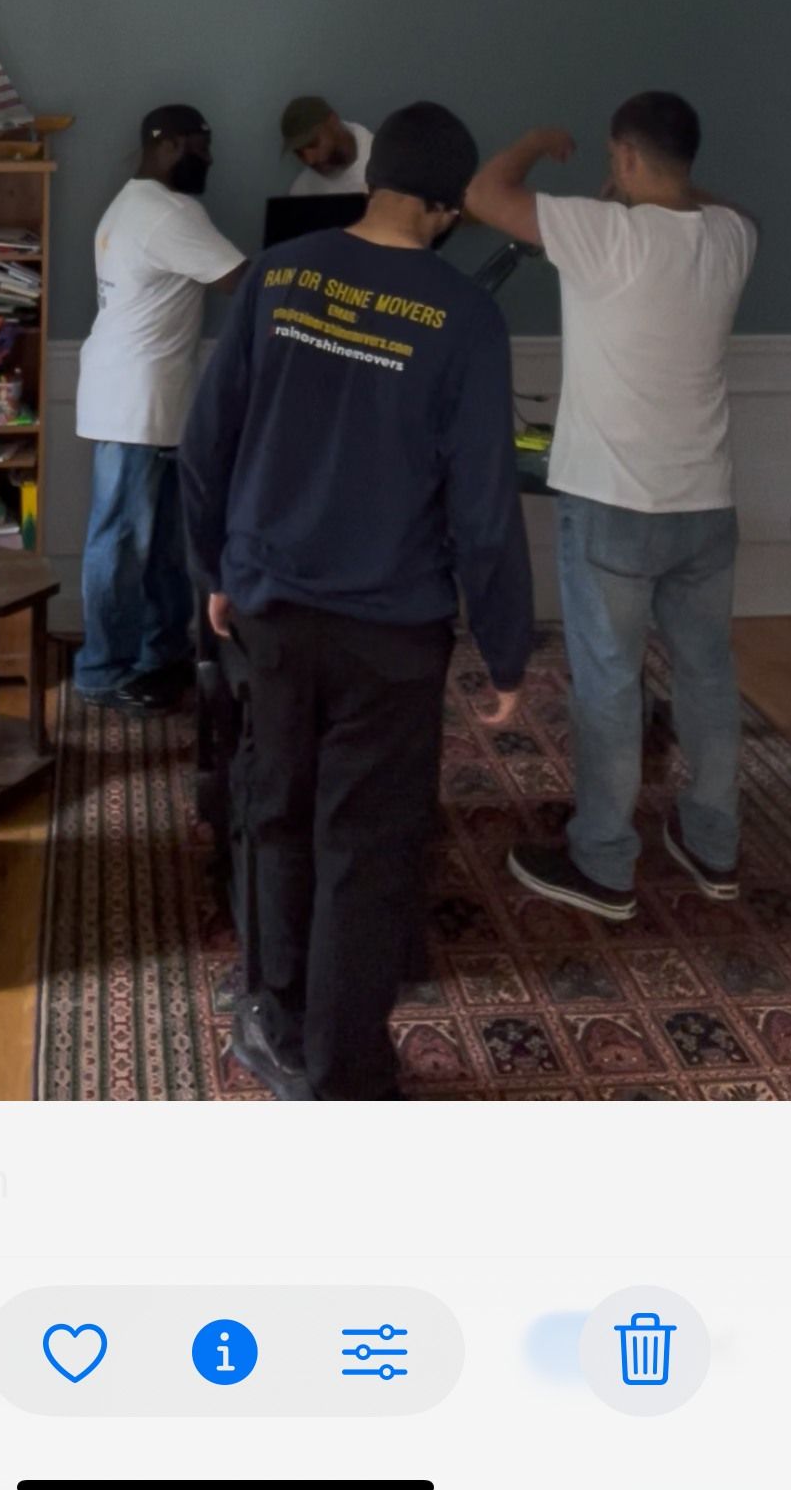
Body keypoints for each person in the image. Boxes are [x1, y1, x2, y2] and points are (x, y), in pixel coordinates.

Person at [180, 101, 534, 1101]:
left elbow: (208, 441)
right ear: (447, 207)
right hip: (393, 633)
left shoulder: (280, 275)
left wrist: (214, 572)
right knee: (365, 849)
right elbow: (482, 507)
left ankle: (275, 1022)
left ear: (377, 182)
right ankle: (343, 1074)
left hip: (273, 612)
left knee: (276, 813)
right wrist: (506, 653)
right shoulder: (465, 319)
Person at [465, 93, 757, 922]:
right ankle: (714, 845)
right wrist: (651, 186)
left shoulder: (607, 234)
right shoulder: (733, 238)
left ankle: (603, 862)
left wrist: (530, 137)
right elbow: (720, 207)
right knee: (705, 675)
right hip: (706, 504)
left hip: (613, 506)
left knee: (607, 682)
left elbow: (487, 196)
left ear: (623, 158)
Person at [74, 104, 245, 712]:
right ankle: (102, 670)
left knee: (162, 542)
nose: (211, 157)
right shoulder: (170, 213)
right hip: (135, 402)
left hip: (149, 399)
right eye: (203, 144)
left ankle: (161, 652)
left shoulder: (130, 204)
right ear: (170, 145)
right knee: (122, 543)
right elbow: (243, 281)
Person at [280, 95, 374, 196]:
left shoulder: (387, 162)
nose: (309, 160)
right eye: (299, 153)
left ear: (333, 122)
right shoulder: (302, 190)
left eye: (313, 144)